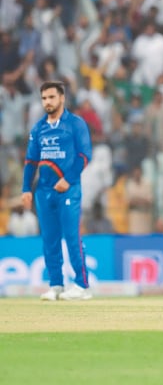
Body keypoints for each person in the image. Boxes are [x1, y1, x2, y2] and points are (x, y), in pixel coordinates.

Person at [21, 81, 93, 301]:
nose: (47, 102)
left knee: (71, 236)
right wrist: (26, 189)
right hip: (44, 191)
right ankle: (56, 285)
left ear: (62, 98)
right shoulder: (38, 128)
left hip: (68, 190)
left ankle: (81, 286)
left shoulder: (75, 124)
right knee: (50, 239)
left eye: (51, 97)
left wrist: (68, 179)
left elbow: (84, 156)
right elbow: (31, 161)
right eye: (44, 98)